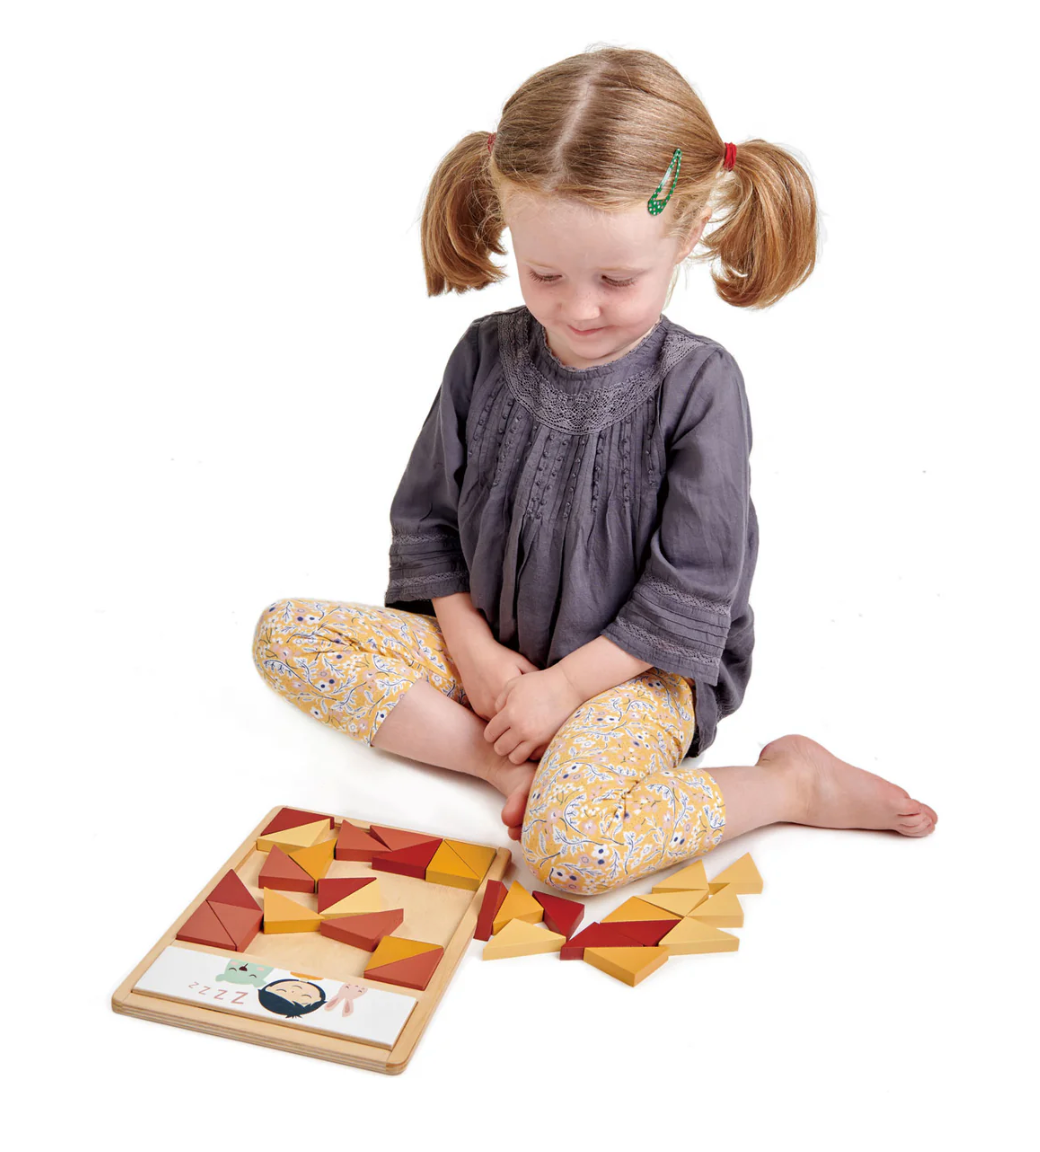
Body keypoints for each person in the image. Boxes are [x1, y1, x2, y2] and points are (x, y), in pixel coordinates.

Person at [252, 47, 937, 897]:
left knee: (574, 854)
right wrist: (476, 658)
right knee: (287, 634)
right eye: (544, 273)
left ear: (685, 234)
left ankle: (790, 784)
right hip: (497, 662)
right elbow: (426, 524)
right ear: (509, 230)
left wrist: (566, 689)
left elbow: (693, 585)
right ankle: (504, 768)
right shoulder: (483, 356)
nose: (578, 308)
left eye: (617, 278)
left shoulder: (700, 386)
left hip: (633, 681)